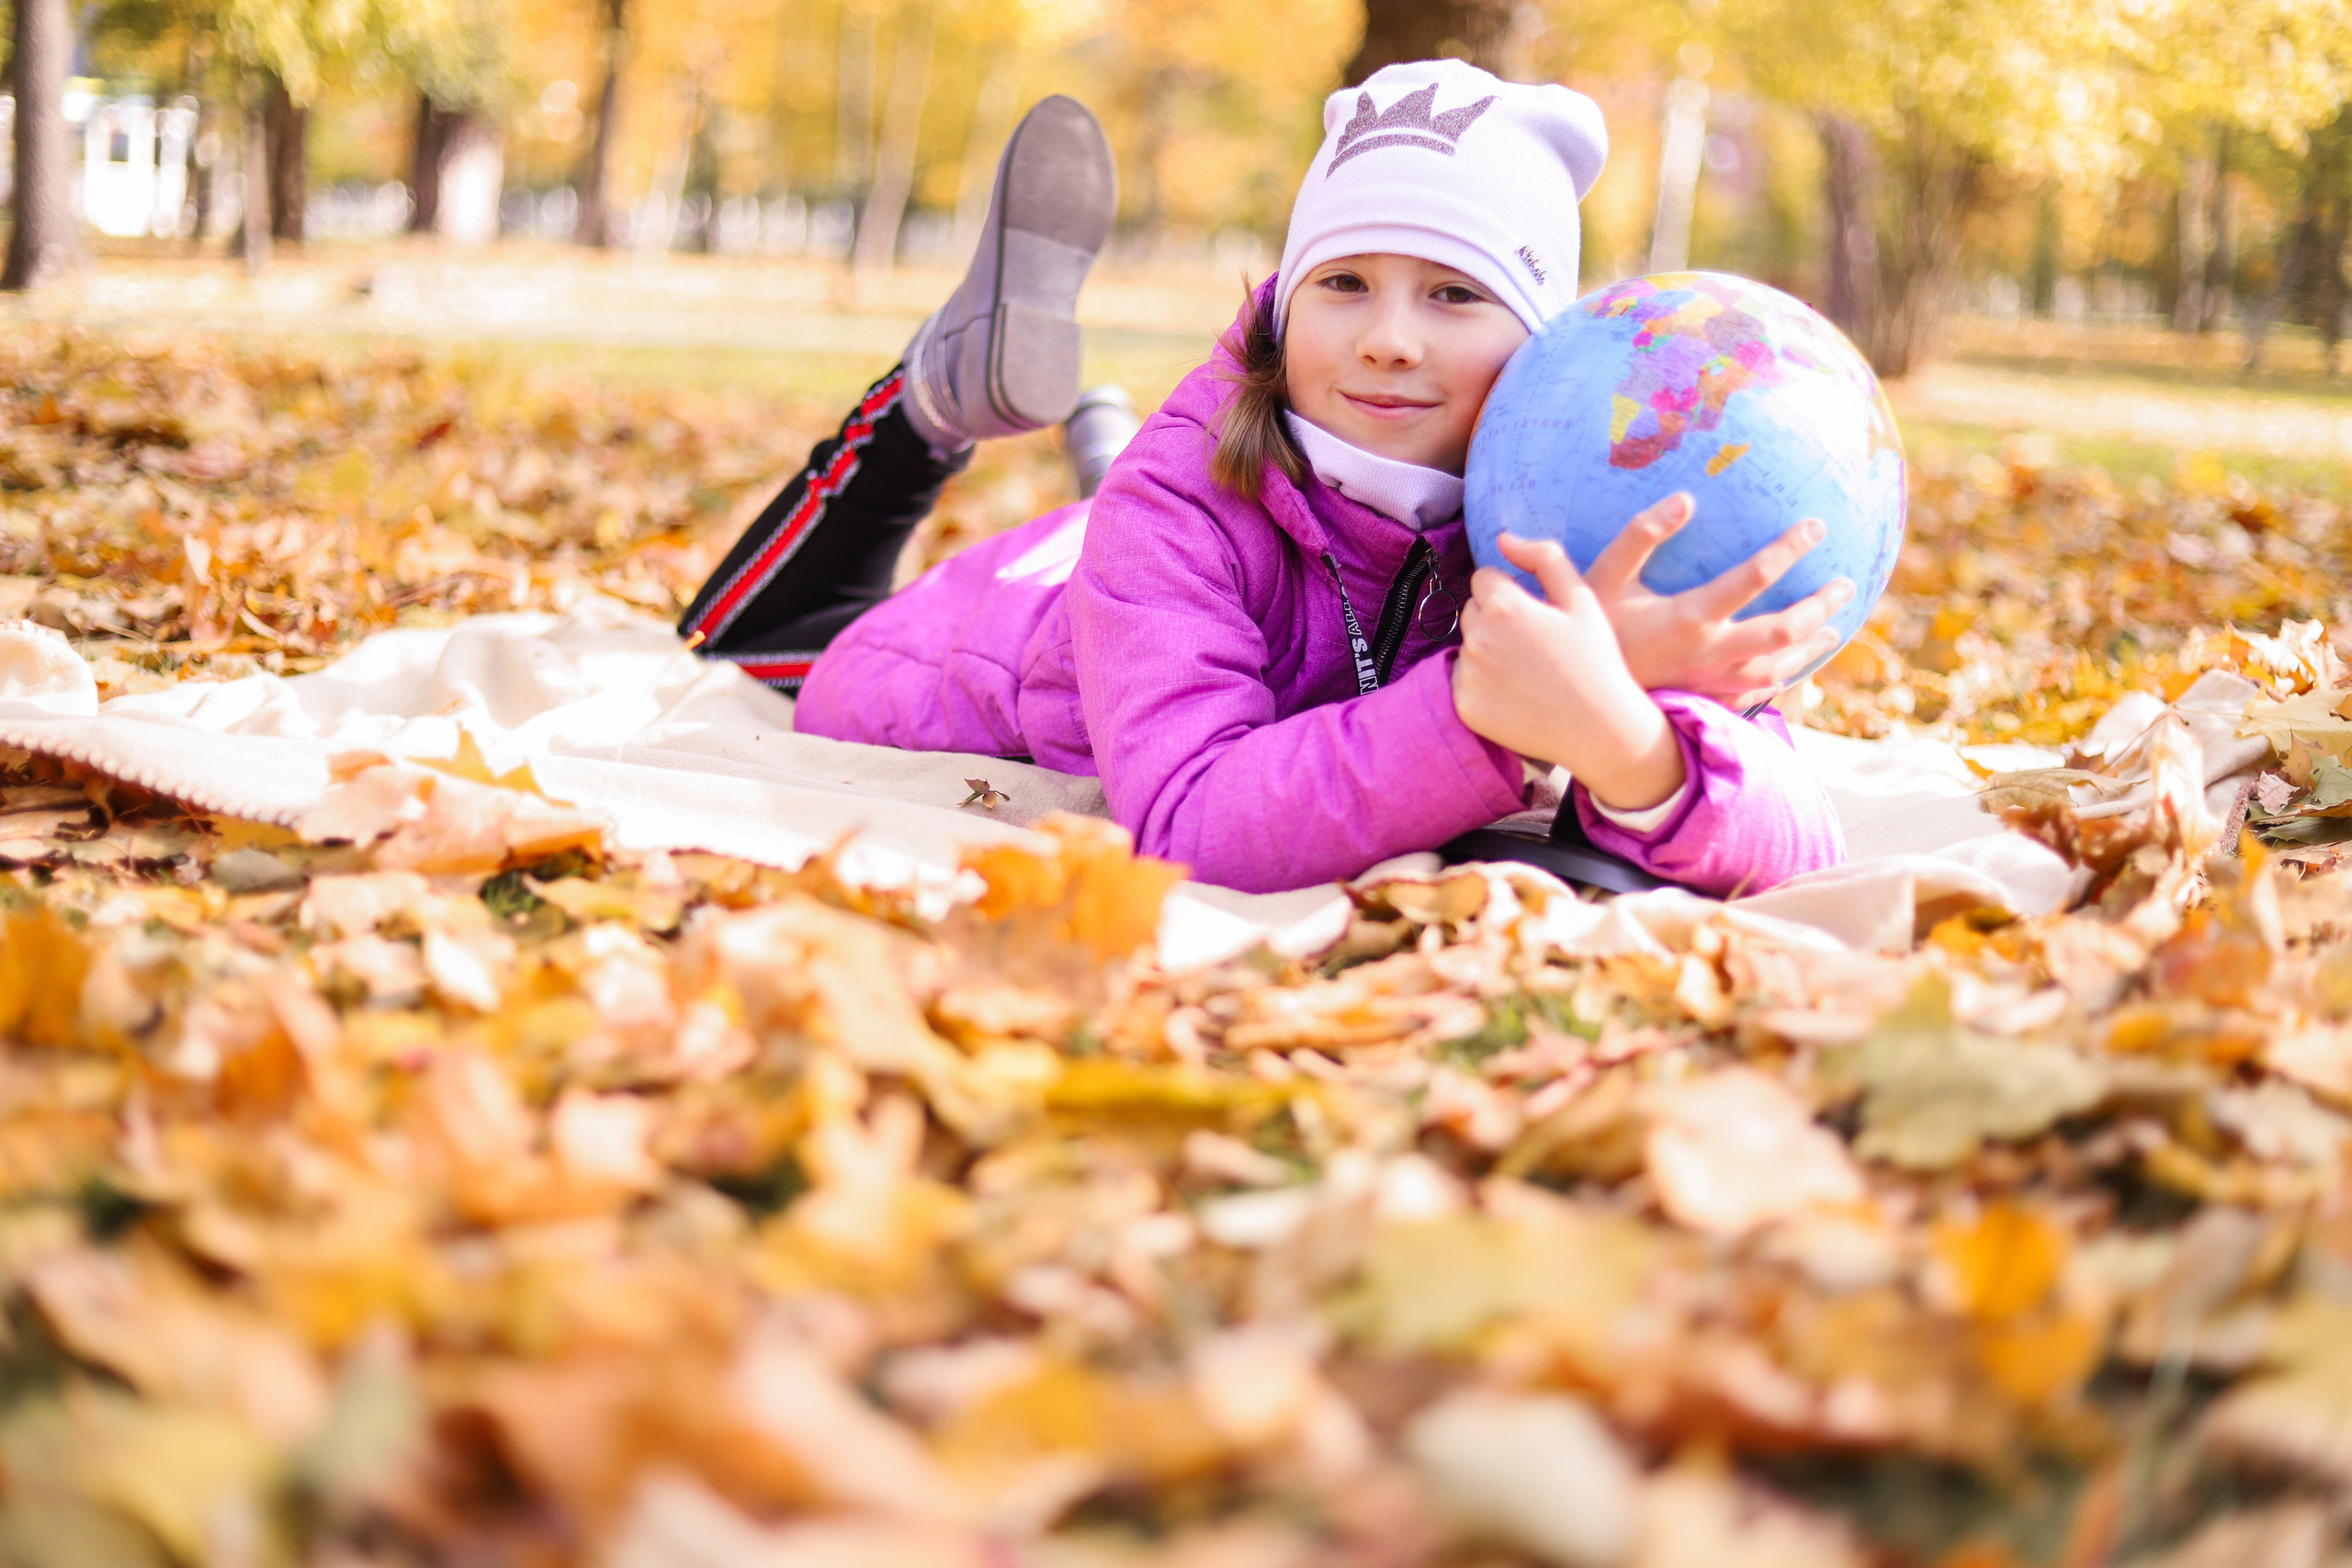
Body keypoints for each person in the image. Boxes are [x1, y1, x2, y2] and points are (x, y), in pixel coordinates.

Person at [678, 64, 1849, 897]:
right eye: (1343, 283)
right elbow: (1189, 821)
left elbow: (1797, 829)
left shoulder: (1592, 513)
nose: (1390, 338)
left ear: (1540, 340)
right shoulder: (1174, 505)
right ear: (1285, 304)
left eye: (1454, 294)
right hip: (954, 649)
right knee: (757, 639)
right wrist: (1481, 714)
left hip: (1143, 573)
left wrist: (1636, 750)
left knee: (1134, 518)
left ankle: (1084, 431)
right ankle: (932, 401)